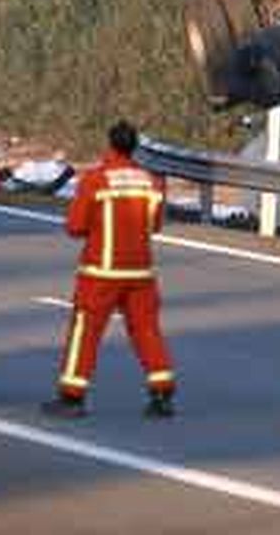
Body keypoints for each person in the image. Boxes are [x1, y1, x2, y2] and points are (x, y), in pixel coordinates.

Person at [42, 121, 176, 419]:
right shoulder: (151, 182)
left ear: (110, 144)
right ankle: (162, 390)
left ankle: (72, 397)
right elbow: (154, 226)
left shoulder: (96, 180)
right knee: (147, 330)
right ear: (135, 147)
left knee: (85, 332)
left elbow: (75, 227)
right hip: (141, 273)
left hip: (101, 272)